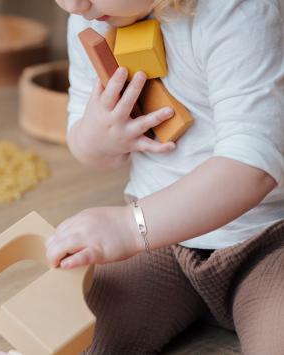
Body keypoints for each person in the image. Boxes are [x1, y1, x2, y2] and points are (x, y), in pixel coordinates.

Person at [46, 0, 284, 354]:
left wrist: (131, 227)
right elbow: (85, 144)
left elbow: (252, 166)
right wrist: (98, 137)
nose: (72, 4)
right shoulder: (91, 19)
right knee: (72, 332)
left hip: (268, 241)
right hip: (160, 245)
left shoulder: (238, 10)